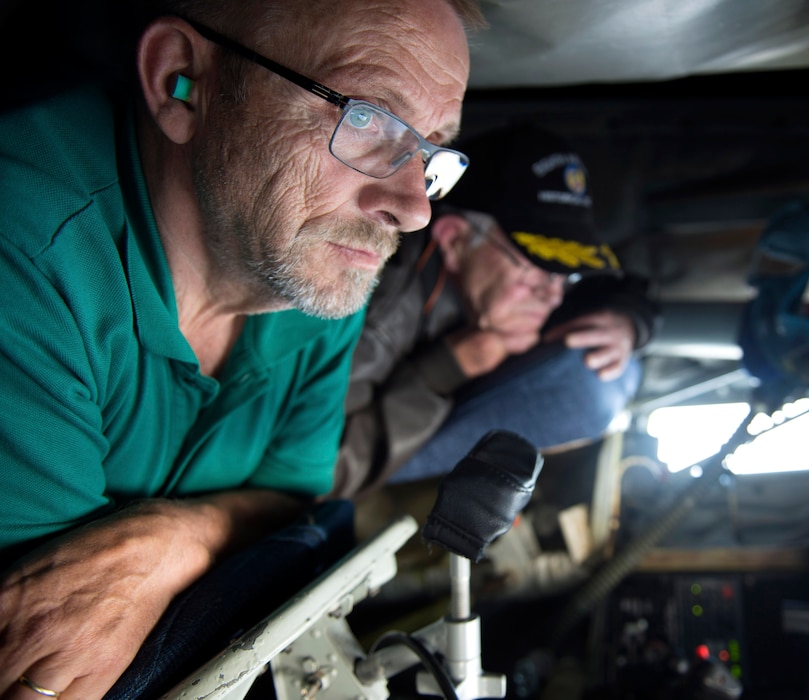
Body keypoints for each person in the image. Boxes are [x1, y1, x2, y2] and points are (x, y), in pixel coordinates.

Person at [0, 0, 481, 697]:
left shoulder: (315, 272)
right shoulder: (25, 250)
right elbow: (56, 649)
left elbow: (296, 503)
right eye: (368, 119)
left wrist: (177, 541)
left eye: (435, 151)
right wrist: (237, 533)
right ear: (180, 82)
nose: (413, 207)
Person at [333, 124, 658, 498]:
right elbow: (331, 469)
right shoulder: (376, 307)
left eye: (565, 272)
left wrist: (628, 320)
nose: (553, 296)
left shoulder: (503, 284)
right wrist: (449, 368)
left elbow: (623, 290)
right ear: (454, 238)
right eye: (536, 268)